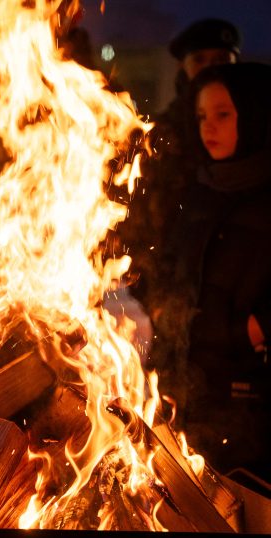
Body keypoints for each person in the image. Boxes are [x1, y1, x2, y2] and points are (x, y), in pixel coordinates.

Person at [115, 19, 242, 393]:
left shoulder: (257, 132)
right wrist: (154, 296)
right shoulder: (164, 137)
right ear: (184, 67)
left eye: (222, 57)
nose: (213, 66)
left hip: (239, 312)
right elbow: (137, 222)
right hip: (175, 302)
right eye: (200, 59)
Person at [165, 62, 271, 486]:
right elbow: (171, 275)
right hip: (191, 394)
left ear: (256, 113)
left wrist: (257, 327)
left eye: (223, 114)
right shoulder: (200, 191)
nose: (209, 127)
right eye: (202, 116)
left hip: (254, 404)